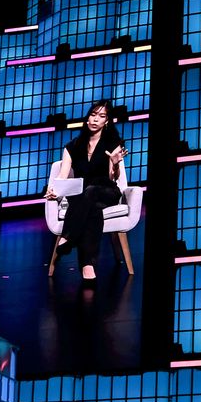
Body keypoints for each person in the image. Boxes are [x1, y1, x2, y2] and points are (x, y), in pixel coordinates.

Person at [43, 100, 128, 283]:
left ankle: (69, 237)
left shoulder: (112, 142)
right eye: (93, 114)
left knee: (90, 192)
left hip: (107, 191)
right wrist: (54, 191)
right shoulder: (72, 146)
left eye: (102, 116)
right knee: (92, 208)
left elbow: (112, 178)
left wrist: (114, 164)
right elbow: (63, 176)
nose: (96, 119)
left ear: (107, 121)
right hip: (84, 196)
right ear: (87, 117)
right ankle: (87, 265)